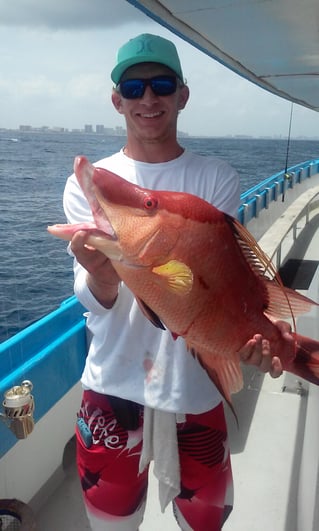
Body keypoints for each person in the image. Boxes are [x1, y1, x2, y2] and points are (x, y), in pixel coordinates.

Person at [63, 33, 292, 531]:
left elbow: (219, 287)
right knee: (110, 523)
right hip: (113, 386)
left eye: (162, 84)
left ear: (182, 95)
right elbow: (94, 299)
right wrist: (104, 279)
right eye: (135, 86)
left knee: (205, 524)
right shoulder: (95, 179)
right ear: (117, 99)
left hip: (195, 388)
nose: (149, 98)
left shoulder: (215, 178)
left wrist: (252, 343)